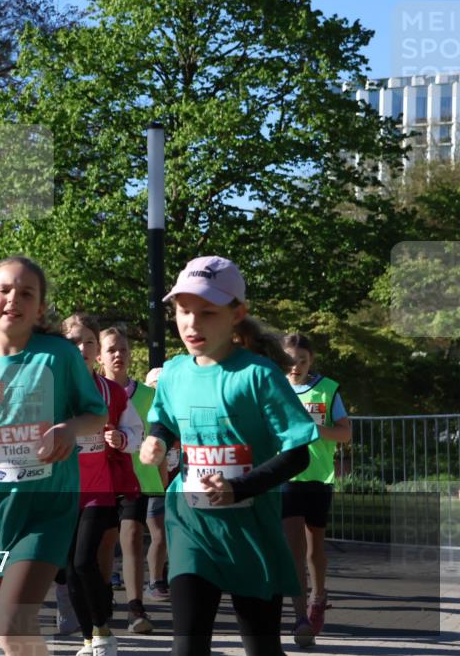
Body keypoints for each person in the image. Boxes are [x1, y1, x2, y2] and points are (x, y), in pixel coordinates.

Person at [138, 255, 319, 656]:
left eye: (207, 312)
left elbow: (298, 455)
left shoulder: (258, 375)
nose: (192, 323)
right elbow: (164, 418)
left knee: (261, 649)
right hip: (191, 528)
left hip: (250, 532)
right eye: (184, 311)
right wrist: (158, 440)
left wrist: (239, 488)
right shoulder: (173, 373)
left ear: (237, 313)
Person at [0, 257, 107, 656]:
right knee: (14, 638)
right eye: (5, 290)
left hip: (47, 507)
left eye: (26, 293)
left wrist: (67, 429)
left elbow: (96, 415)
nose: (14, 299)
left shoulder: (58, 355)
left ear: (39, 307)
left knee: (13, 623)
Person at [62, 314, 144, 656]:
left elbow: (137, 435)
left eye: (89, 342)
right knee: (69, 570)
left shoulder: (112, 392)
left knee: (84, 562)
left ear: (98, 350)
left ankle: (104, 630)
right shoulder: (52, 390)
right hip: (60, 494)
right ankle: (88, 638)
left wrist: (120, 438)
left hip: (99, 491)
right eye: (74, 342)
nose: (82, 348)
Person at [280, 333, 351, 648]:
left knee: (314, 549)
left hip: (319, 477)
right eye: (289, 361)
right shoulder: (272, 388)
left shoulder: (327, 389)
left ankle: (318, 596)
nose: (295, 367)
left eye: (302, 361)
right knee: (292, 547)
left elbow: (345, 433)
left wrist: (315, 430)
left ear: (311, 361)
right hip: (285, 477)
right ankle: (300, 618)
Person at [97, 326, 167, 633]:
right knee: (102, 543)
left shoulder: (150, 396)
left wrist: (164, 482)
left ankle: (136, 607)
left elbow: (160, 441)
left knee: (132, 538)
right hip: (99, 481)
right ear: (99, 356)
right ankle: (101, 598)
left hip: (138, 481)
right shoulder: (91, 393)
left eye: (123, 349)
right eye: (111, 349)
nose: (118, 355)